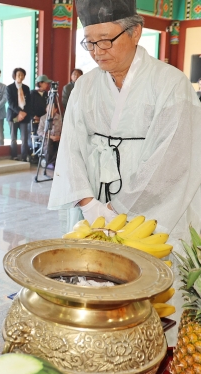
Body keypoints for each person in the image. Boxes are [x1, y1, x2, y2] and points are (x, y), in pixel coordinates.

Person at [48, 0, 201, 347]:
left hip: (154, 208)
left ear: (135, 32)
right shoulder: (85, 86)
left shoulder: (170, 83)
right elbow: (71, 146)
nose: (97, 52)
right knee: (95, 289)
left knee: (151, 294)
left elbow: (173, 160)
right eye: (89, 42)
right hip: (94, 205)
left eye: (106, 40)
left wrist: (117, 209)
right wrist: (89, 204)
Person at [6, 67, 32, 161]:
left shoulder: (26, 88)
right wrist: (19, 113)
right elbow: (10, 103)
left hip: (24, 117)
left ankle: (24, 157)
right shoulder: (9, 88)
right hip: (14, 116)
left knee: (24, 138)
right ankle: (14, 156)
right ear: (14, 76)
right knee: (14, 137)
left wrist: (24, 114)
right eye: (18, 75)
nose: (20, 76)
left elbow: (29, 103)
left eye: (22, 75)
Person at [37, 102, 62, 169]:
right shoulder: (43, 118)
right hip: (47, 138)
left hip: (58, 138)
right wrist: (50, 136)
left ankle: (55, 162)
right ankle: (50, 163)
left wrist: (59, 137)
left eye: (52, 108)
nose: (49, 110)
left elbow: (64, 130)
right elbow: (39, 131)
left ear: (56, 110)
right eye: (48, 108)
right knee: (48, 143)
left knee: (63, 144)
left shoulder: (60, 118)